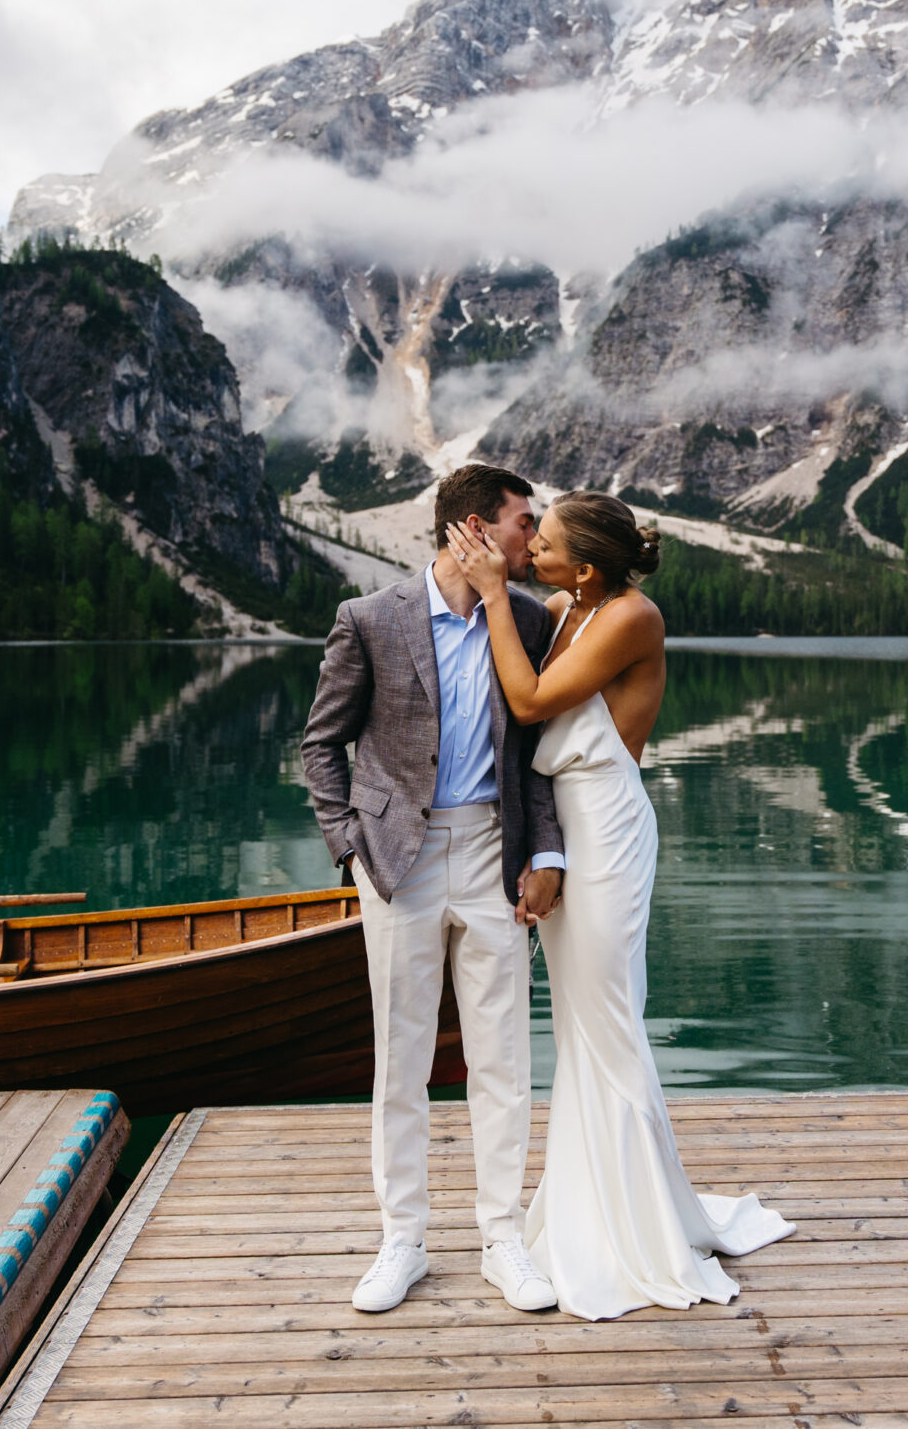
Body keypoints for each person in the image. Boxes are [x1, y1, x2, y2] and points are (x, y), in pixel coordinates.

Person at [444, 490, 794, 1320]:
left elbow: (531, 702)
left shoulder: (632, 617)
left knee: (608, 1019)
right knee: (578, 1025)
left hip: (607, 827)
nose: (532, 554)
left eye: (546, 546)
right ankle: (592, 1202)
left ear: (587, 569)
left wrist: (492, 591)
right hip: (567, 828)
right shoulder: (567, 608)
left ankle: (640, 1229)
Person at [299, 463, 569, 1316]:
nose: (534, 537)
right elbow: (321, 744)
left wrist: (546, 852)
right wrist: (349, 846)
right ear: (476, 529)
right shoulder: (369, 618)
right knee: (401, 1061)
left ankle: (502, 1240)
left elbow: (535, 756)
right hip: (396, 861)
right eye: (523, 522)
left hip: (493, 852)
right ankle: (402, 1241)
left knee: (503, 1060)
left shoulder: (526, 618)